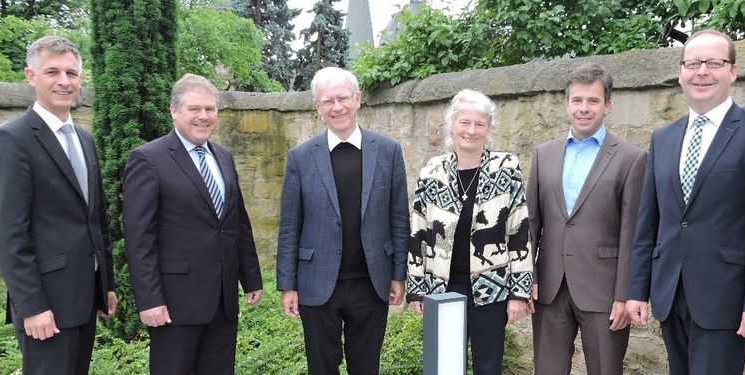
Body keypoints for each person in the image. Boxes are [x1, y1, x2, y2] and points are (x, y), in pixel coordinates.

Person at [626, 29, 745, 374]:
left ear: (732, 71)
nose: (702, 71)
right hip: (670, 293)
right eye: (693, 63)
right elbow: (649, 222)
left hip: (725, 300)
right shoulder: (663, 138)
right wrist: (637, 290)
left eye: (714, 63)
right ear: (681, 73)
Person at [0, 35, 117, 374]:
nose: (63, 81)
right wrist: (32, 307)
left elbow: (96, 220)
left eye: (72, 73)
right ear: (31, 76)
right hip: (46, 305)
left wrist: (107, 285)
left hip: (84, 297)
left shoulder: (85, 140)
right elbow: (7, 234)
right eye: (52, 72)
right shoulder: (12, 140)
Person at [122, 74, 263, 374]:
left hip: (222, 303)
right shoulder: (149, 158)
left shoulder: (223, 157)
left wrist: (250, 276)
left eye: (210, 109)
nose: (204, 116)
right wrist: (149, 300)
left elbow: (236, 220)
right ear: (174, 111)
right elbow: (139, 237)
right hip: (175, 303)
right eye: (194, 108)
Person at [277, 66, 409, 375]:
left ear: (358, 99)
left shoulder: (388, 151)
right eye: (327, 101)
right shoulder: (301, 157)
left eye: (343, 98)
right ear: (317, 108)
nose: (337, 107)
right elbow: (289, 226)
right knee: (321, 368)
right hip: (317, 282)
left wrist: (398, 274)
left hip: (371, 281)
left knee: (366, 367)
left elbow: (399, 218)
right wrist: (287, 284)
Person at [526, 63, 646, 374]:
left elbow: (632, 234)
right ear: (567, 104)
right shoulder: (543, 155)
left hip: (604, 293)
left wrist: (624, 295)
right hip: (550, 288)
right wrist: (530, 277)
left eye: (592, 101)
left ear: (608, 105)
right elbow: (531, 225)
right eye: (577, 100)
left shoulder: (631, 159)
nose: (583, 109)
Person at [407, 89, 533, 375]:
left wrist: (519, 293)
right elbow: (418, 231)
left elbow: (519, 230)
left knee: (488, 368)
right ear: (452, 124)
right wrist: (416, 289)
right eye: (464, 122)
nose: (471, 131)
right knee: (446, 367)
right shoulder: (432, 171)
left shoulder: (506, 168)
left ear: (488, 128)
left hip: (492, 289)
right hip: (442, 288)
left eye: (479, 124)